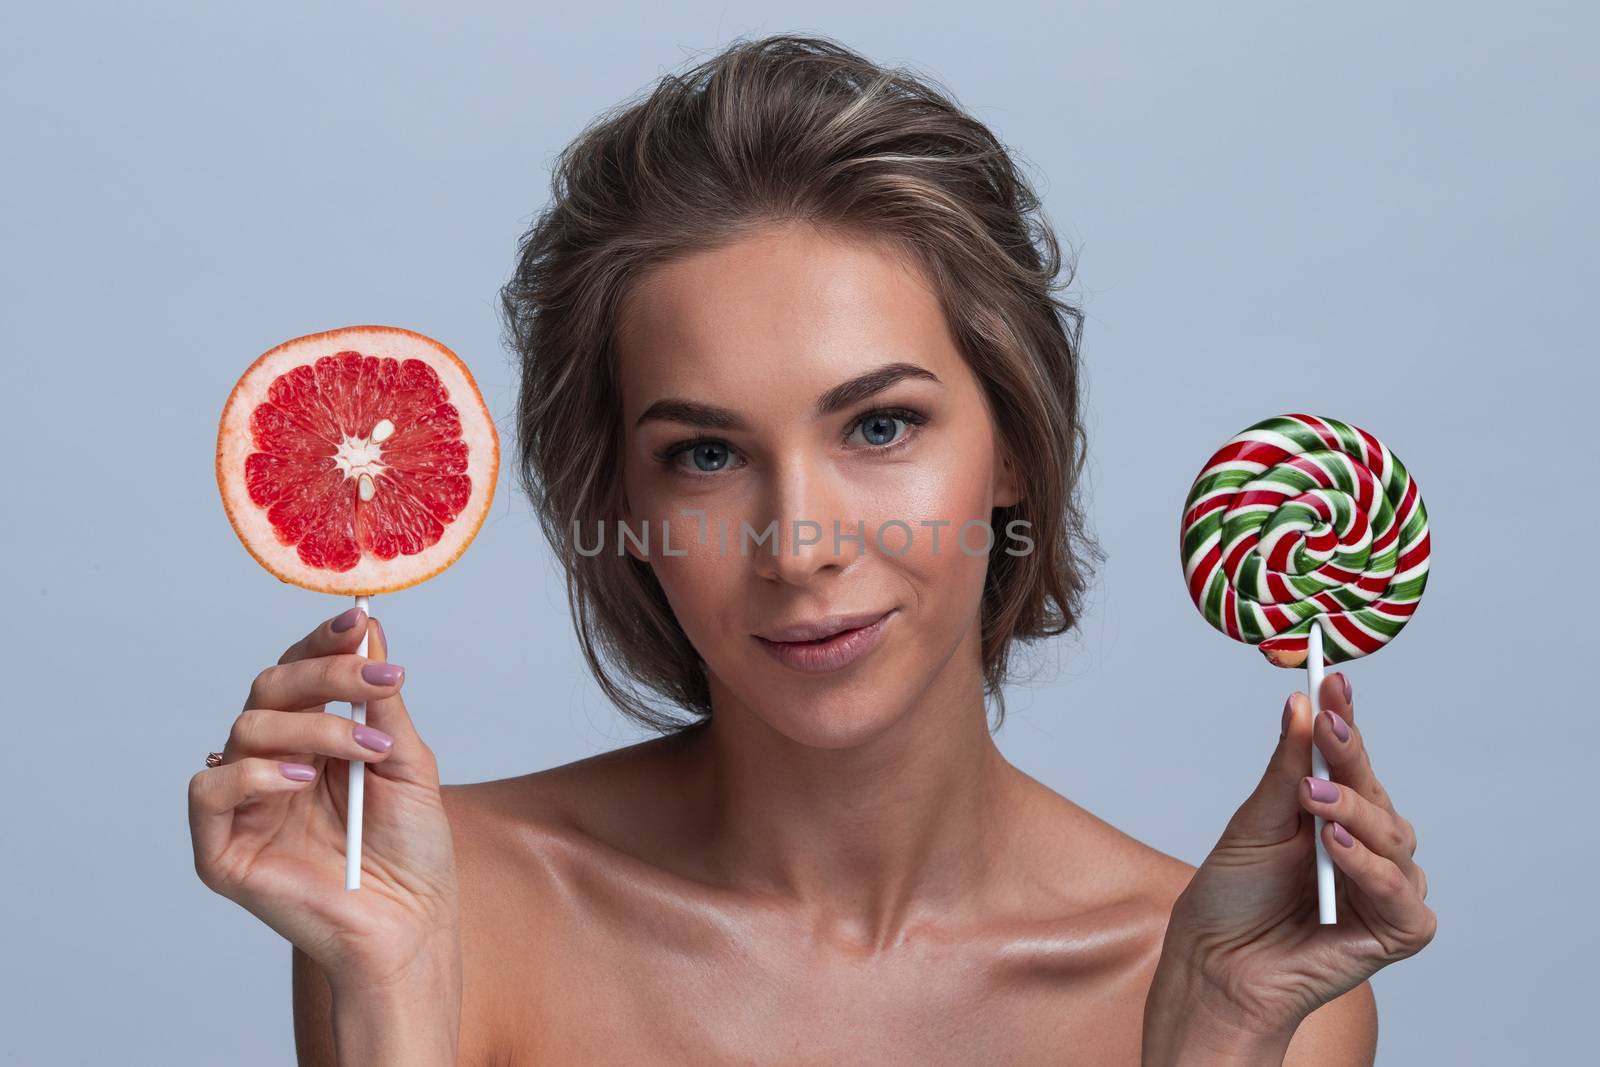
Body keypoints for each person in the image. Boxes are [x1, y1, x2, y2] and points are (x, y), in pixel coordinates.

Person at [188, 34, 1435, 1066]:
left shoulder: (1251, 981)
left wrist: (1211, 1035)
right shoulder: (443, 906)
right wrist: (391, 992)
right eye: (706, 454)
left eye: (880, 424)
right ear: (616, 486)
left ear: (1009, 446)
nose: (800, 545)